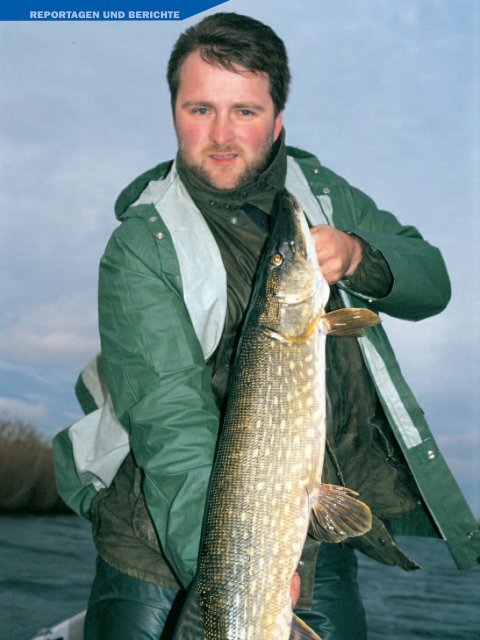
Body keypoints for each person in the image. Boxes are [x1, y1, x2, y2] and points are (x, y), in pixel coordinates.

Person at [53, 11, 480, 640]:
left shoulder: (323, 195)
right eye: (200, 109)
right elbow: (174, 429)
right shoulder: (140, 247)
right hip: (159, 531)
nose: (221, 134)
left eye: (245, 111)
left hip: (303, 519)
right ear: (174, 112)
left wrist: (360, 256)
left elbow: (433, 282)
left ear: (277, 119)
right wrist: (240, 579)